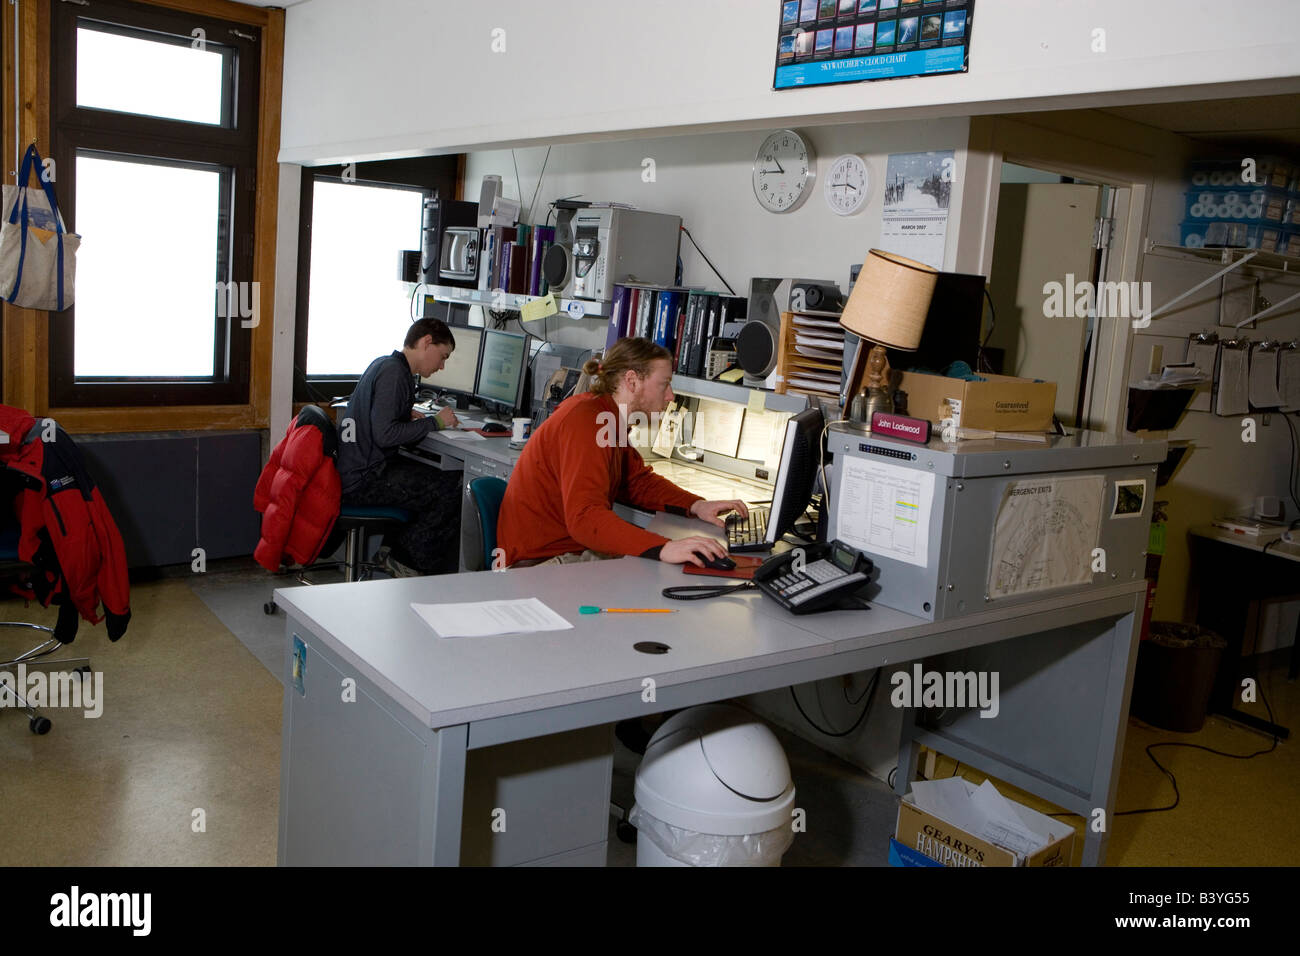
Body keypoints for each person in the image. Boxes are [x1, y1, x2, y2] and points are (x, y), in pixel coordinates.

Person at [497, 336, 749, 568]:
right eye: (664, 385)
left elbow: (636, 482)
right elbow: (585, 518)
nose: (671, 396)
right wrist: (665, 547)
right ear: (632, 381)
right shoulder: (587, 421)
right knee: (658, 580)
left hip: (564, 549)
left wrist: (696, 505)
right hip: (541, 563)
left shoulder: (604, 416)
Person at [337, 318, 463, 576]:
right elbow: (385, 435)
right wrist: (435, 422)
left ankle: (391, 551)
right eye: (442, 356)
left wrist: (406, 417)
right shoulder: (395, 374)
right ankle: (405, 562)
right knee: (452, 489)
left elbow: (382, 423)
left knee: (426, 479)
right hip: (364, 480)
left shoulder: (386, 364)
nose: (441, 366)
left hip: (356, 471)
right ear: (427, 342)